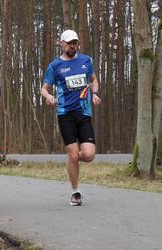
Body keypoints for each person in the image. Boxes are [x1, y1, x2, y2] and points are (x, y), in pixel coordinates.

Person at [41, 30, 101, 206]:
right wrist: (48, 97)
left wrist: (95, 93)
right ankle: (76, 192)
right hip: (65, 114)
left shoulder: (86, 60)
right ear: (61, 43)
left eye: (75, 42)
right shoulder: (55, 66)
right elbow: (44, 88)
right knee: (74, 156)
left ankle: (72, 158)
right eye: (69, 42)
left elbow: (93, 79)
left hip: (83, 113)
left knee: (88, 155)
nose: (72, 45)